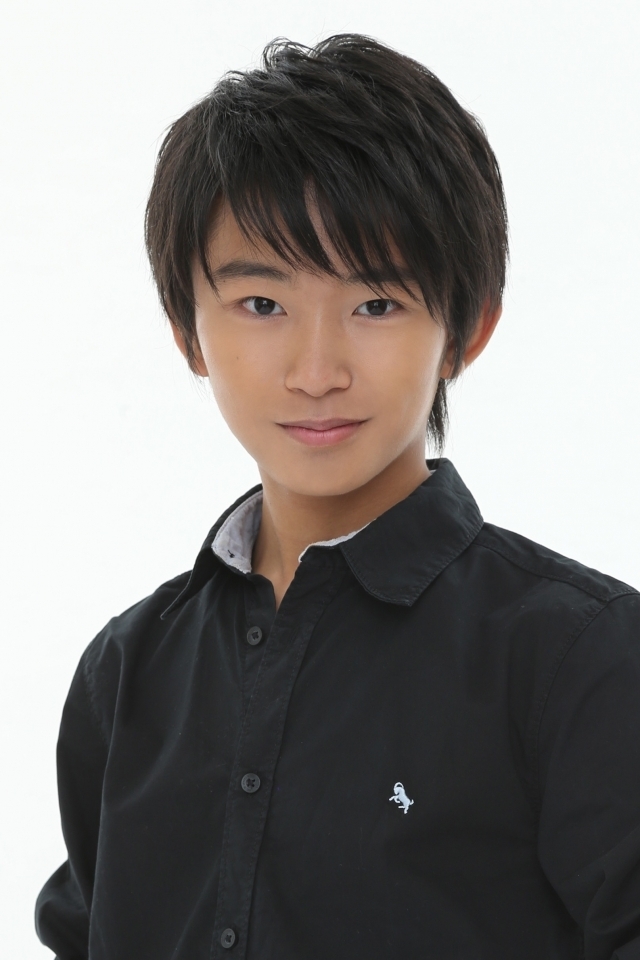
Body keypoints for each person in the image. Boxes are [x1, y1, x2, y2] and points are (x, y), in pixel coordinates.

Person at [35, 34, 640, 960]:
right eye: (262, 305)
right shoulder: (127, 672)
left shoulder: (579, 658)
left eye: (376, 304)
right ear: (188, 332)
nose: (316, 371)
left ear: (465, 330)